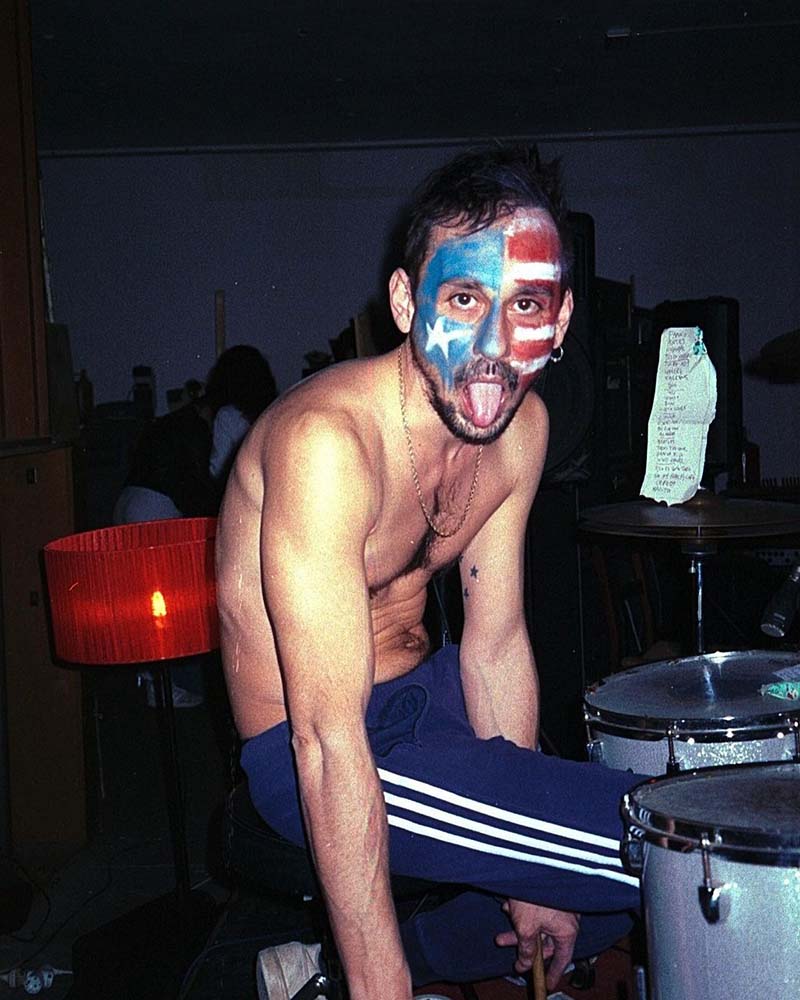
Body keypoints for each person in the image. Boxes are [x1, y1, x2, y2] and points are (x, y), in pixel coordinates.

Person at [216, 147, 643, 1000]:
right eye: (464, 300)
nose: (492, 348)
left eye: (525, 305)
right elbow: (325, 741)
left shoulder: (521, 433)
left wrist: (531, 868)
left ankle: (320, 971)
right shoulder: (329, 446)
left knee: (597, 895)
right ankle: (368, 973)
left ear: (560, 321)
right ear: (407, 303)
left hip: (434, 699)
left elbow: (495, 644)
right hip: (320, 742)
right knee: (679, 850)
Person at [114, 344, 276, 705]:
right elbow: (212, 481)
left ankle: (153, 683)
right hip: (155, 506)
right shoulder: (230, 416)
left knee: (147, 602)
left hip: (130, 500)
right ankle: (163, 687)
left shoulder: (197, 413)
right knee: (170, 605)